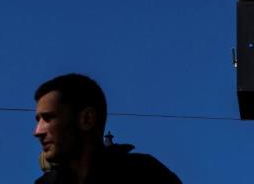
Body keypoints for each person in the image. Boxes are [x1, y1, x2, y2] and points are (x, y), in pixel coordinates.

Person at [33, 73, 181, 184]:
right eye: (38, 120)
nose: (37, 131)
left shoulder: (144, 174)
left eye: (48, 118)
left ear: (86, 119)